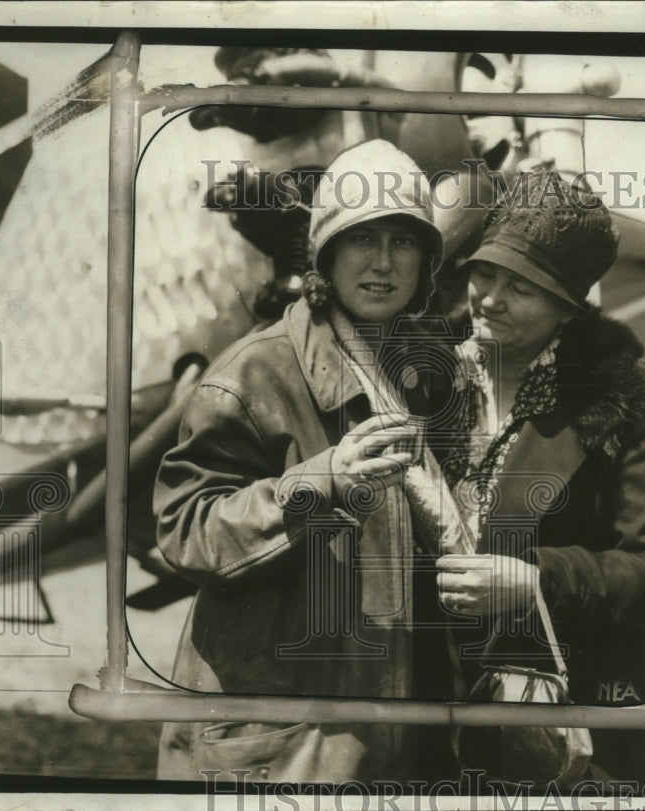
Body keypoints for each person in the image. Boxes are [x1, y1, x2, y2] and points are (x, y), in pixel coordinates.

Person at [152, 139, 456, 784]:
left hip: (394, 733)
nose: (382, 263)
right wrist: (322, 482)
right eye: (361, 238)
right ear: (326, 253)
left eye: (403, 241)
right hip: (283, 744)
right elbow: (185, 530)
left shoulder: (427, 375)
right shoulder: (252, 372)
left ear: (426, 260)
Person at [436, 166, 645, 791]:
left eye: (522, 287)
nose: (491, 299)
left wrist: (539, 581)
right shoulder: (425, 381)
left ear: (566, 309)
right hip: (437, 735)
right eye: (485, 272)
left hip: (572, 740)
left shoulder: (620, 405)